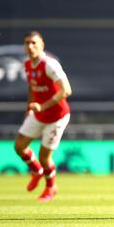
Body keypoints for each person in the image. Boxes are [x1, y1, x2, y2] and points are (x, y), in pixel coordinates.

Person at [14, 31, 72, 202]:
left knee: (44, 157)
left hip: (57, 117)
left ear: (42, 45)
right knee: (19, 145)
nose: (30, 46)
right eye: (27, 43)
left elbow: (66, 90)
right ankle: (36, 170)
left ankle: (50, 187)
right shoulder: (27, 64)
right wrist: (29, 108)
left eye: (33, 43)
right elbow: (32, 88)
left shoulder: (49, 64)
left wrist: (42, 106)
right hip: (38, 114)